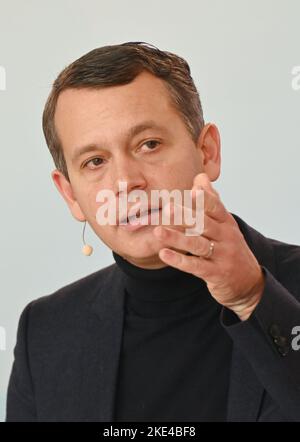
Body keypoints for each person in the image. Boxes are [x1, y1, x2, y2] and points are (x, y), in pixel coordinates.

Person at [6, 42, 300, 422]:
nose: (126, 181)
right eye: (95, 161)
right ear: (70, 194)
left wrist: (252, 299)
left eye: (149, 144)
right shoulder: (45, 331)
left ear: (207, 152)